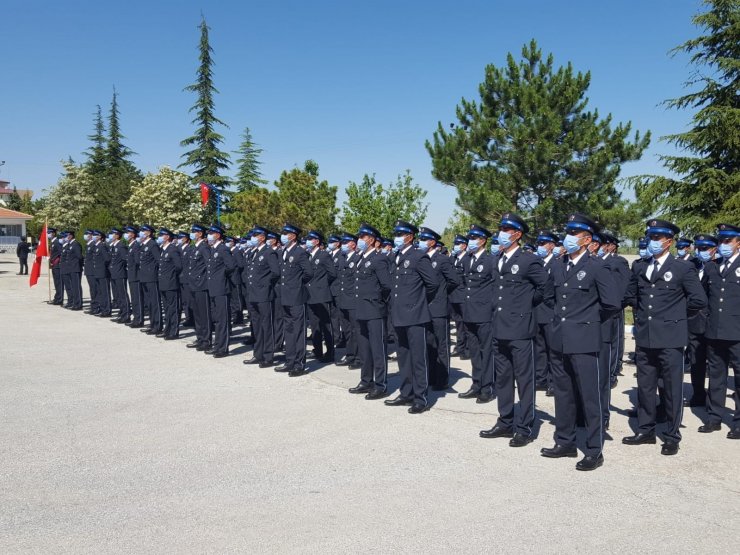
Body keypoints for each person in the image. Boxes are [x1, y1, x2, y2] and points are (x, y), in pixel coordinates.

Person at [540, 213, 620, 471]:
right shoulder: (557, 263)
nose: (569, 238)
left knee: (590, 396)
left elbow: (611, 304)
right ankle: (565, 442)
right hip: (559, 338)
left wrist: (587, 322)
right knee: (563, 394)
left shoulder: (598, 266)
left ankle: (594, 450)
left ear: (587, 240)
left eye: (574, 234)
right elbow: (549, 296)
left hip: (585, 340)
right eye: (568, 232)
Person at [623, 219, 707, 456]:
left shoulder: (682, 268)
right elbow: (633, 295)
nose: (652, 242)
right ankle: (646, 430)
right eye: (650, 237)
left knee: (671, 388)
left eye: (657, 238)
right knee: (645, 386)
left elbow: (699, 300)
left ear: (669, 241)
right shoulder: (640, 266)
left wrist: (675, 317)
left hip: (671, 337)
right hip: (646, 336)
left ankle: (671, 435)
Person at [481, 213, 551, 447]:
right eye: (500, 228)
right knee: (502, 379)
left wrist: (526, 306)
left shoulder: (528, 260)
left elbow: (546, 288)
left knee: (525, 380)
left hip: (521, 329)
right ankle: (505, 421)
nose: (501, 232)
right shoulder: (497, 259)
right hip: (499, 327)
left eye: (506, 229)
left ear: (518, 234)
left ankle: (525, 426)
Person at [383, 221, 437, 413]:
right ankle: (406, 393)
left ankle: (420, 398)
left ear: (410, 237)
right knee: (403, 357)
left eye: (401, 233)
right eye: (395, 233)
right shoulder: (396, 256)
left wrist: (418, 302)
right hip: (398, 314)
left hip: (415, 315)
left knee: (418, 358)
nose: (397, 237)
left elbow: (432, 284)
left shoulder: (418, 257)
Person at [700, 223, 740, 439]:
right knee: (716, 376)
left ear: (738, 243)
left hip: (737, 332)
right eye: (721, 241)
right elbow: (703, 297)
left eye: (728, 241)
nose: (723, 245)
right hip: (714, 330)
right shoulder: (712, 267)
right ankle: (714, 417)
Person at [348, 223, 391, 398]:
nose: (359, 240)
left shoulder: (379, 259)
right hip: (361, 310)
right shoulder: (361, 258)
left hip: (374, 310)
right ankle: (366, 381)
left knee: (377, 349)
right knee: (364, 348)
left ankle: (380, 385)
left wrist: (378, 302)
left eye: (362, 237)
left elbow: (387, 285)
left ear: (372, 240)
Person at [458, 224, 497, 403]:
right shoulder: (467, 259)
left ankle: (487, 387)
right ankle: (476, 384)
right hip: (469, 313)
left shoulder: (490, 260)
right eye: (470, 238)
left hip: (484, 313)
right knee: (474, 351)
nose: (471, 241)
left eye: (474, 238)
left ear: (483, 241)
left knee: (486, 351)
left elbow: (497, 287)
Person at [419, 226, 461, 391]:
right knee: (429, 344)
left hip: (438, 308)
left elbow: (455, 280)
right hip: (424, 307)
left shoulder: (441, 259)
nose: (420, 242)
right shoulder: (421, 258)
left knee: (441, 344)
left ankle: (442, 379)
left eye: (424, 239)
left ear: (432, 242)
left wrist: (442, 292)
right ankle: (431, 376)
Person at [274, 223, 314, 375]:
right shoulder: (283, 251)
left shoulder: (299, 252)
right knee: (288, 330)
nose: (283, 235)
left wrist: (297, 284)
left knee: (298, 331)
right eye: (283, 232)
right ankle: (290, 360)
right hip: (285, 296)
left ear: (293, 236)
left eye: (286, 233)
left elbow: (309, 273)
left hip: (296, 296)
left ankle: (299, 364)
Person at [684, 233, 716, 408]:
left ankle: (713, 400)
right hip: (694, 320)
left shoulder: (718, 267)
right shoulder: (691, 265)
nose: (701, 251)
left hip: (712, 321)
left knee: (715, 365)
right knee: (696, 361)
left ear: (713, 250)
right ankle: (698, 395)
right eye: (699, 248)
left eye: (705, 248)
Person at [243, 226, 280, 368]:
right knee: (256, 326)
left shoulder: (269, 252)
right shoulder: (254, 252)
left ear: (262, 237)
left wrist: (265, 284)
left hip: (264, 294)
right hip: (253, 294)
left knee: (266, 325)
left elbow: (275, 272)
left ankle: (268, 356)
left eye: (255, 235)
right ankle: (258, 354)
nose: (253, 238)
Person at [305, 230, 337, 363]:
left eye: (310, 239)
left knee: (326, 325)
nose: (308, 241)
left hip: (322, 295)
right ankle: (317, 351)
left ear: (317, 241)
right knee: (314, 326)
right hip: (309, 295)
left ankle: (330, 353)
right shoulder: (307, 255)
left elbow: (332, 273)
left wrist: (322, 285)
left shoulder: (324, 255)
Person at [533, 230, 558, 395]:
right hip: (536, 312)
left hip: (550, 312)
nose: (540, 247)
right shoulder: (535, 262)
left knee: (553, 350)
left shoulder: (556, 264)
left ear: (551, 245)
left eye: (543, 244)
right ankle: (540, 379)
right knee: (539, 348)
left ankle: (553, 382)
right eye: (539, 243)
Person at [336, 233, 361, 369]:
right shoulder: (343, 258)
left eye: (346, 242)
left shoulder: (357, 258)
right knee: (346, 330)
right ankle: (350, 354)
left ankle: (358, 357)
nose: (344, 244)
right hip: (343, 299)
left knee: (356, 330)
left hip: (353, 300)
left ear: (353, 244)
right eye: (343, 242)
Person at [186, 224, 212, 351]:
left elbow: (209, 266)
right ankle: (200, 337)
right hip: (194, 286)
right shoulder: (194, 247)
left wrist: (204, 281)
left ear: (200, 234)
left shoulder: (204, 247)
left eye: (194, 232)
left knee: (204, 314)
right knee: (197, 314)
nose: (192, 234)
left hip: (202, 286)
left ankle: (206, 340)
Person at [157, 228, 182, 340]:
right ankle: (167, 330)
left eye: (161, 235)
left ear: (167, 237)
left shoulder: (172, 249)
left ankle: (174, 331)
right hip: (163, 283)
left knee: (173, 308)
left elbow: (178, 266)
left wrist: (171, 276)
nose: (159, 236)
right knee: (167, 309)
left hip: (171, 283)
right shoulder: (164, 249)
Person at [449, 235, 469, 360]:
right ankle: (460, 347)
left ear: (464, 245)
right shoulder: (453, 258)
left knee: (465, 325)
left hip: (463, 297)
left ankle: (466, 349)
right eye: (455, 243)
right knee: (458, 324)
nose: (456, 246)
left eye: (458, 243)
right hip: (454, 297)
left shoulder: (467, 259)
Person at [124, 226, 144, 328]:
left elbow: (137, 262)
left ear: (133, 234)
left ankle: (139, 320)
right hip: (131, 275)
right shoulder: (131, 246)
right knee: (134, 299)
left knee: (137, 299)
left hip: (136, 276)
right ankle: (136, 318)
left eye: (128, 232)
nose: (126, 234)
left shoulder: (136, 246)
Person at [108, 228, 130, 323]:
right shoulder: (113, 246)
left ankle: (126, 314)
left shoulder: (121, 246)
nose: (110, 236)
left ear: (117, 235)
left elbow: (125, 259)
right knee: (117, 295)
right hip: (114, 273)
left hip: (120, 274)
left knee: (122, 295)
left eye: (112, 234)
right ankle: (121, 312)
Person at [90, 230, 112, 317]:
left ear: (99, 237)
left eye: (95, 235)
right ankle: (102, 309)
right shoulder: (96, 246)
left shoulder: (102, 246)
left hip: (103, 272)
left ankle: (107, 310)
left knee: (105, 292)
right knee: (100, 292)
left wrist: (102, 267)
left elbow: (107, 258)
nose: (93, 236)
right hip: (97, 272)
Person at [60, 230, 83, 310]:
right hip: (70, 268)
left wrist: (76, 265)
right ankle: (74, 302)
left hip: (75, 268)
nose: (66, 237)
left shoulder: (75, 244)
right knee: (72, 287)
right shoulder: (70, 244)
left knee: (76, 287)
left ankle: (78, 304)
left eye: (67, 235)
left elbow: (79, 257)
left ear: (71, 236)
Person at [48, 228, 64, 304]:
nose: (48, 234)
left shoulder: (57, 242)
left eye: (49, 232)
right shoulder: (52, 242)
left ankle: (59, 299)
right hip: (53, 265)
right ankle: (57, 298)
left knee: (59, 282)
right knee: (56, 282)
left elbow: (61, 253)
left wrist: (55, 261)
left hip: (57, 265)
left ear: (54, 233)